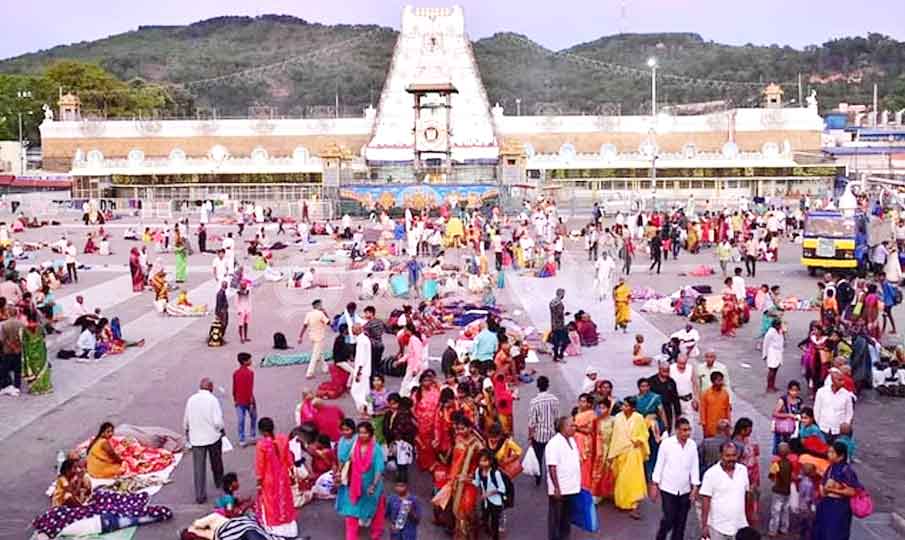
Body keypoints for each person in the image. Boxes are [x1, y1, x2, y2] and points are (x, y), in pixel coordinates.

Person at [651, 417, 700, 540]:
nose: (687, 433)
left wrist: (695, 486)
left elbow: (694, 466)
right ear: (677, 430)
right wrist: (655, 484)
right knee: (669, 518)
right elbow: (659, 464)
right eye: (684, 430)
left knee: (681, 522)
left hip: (685, 489)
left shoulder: (692, 445)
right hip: (668, 488)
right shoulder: (666, 444)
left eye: (689, 430)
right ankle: (661, 536)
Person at [336, 421, 386, 540]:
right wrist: (339, 473)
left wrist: (374, 485)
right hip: (354, 485)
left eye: (365, 433)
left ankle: (376, 532)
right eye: (360, 433)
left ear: (370, 434)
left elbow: (379, 468)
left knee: (376, 509)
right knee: (351, 512)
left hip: (371, 485)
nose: (362, 435)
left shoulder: (376, 449)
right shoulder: (353, 445)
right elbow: (343, 459)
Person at [254, 417, 297, 538]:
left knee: (271, 503)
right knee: (285, 500)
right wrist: (292, 475)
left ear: (261, 431)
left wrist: (258, 483)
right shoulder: (283, 439)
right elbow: (289, 460)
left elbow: (260, 466)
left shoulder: (261, 445)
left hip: (269, 480)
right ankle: (289, 526)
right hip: (283, 477)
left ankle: (275, 528)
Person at [184, 377, 225, 504]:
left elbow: (186, 420)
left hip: (196, 438)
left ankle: (200, 495)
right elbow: (218, 422)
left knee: (199, 468)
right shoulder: (213, 400)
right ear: (211, 387)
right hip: (212, 437)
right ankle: (219, 482)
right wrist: (221, 429)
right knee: (216, 461)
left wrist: (187, 430)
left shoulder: (191, 400)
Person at [608, 396, 649, 519]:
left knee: (633, 479)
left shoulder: (638, 418)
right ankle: (622, 502)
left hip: (633, 451)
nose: (623, 407)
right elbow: (615, 436)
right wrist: (612, 453)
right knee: (621, 479)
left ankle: (634, 505)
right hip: (620, 451)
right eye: (623, 405)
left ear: (633, 408)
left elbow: (644, 433)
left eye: (626, 406)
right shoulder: (618, 417)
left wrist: (639, 440)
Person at [700, 443, 751, 540]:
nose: (731, 458)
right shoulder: (710, 474)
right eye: (727, 455)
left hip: (739, 525)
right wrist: (704, 525)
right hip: (717, 527)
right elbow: (706, 501)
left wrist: (749, 517)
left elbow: (746, 495)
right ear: (720, 456)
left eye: (734, 455)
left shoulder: (743, 470)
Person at [813, 441, 862, 540]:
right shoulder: (831, 467)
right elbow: (823, 481)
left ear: (841, 456)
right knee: (823, 531)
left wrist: (833, 490)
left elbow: (852, 491)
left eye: (832, 452)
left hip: (839, 507)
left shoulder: (846, 470)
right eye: (829, 452)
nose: (829, 454)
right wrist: (822, 488)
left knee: (835, 533)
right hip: (826, 504)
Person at [446, 414, 485, 539]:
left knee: (467, 508)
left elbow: (483, 464)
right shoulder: (458, 438)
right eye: (457, 429)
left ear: (470, 428)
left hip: (469, 480)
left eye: (462, 429)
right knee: (457, 508)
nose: (459, 431)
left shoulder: (477, 444)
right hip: (456, 479)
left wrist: (469, 476)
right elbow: (454, 460)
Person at [545, 416, 581, 540]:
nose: (574, 427)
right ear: (563, 427)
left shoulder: (571, 440)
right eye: (571, 425)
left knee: (566, 519)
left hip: (571, 488)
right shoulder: (554, 443)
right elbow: (552, 467)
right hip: (560, 489)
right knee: (556, 519)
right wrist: (556, 488)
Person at [528, 376, 560, 487]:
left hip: (539, 435)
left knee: (538, 457)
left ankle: (538, 477)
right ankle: (551, 478)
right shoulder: (555, 400)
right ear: (548, 385)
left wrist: (530, 436)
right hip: (552, 434)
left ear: (538, 386)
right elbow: (557, 418)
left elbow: (532, 422)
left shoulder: (534, 402)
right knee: (551, 458)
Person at [474, 448, 507, 540]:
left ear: (490, 461)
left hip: (495, 502)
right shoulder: (478, 471)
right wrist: (466, 480)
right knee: (484, 517)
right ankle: (488, 530)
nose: (482, 463)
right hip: (485, 501)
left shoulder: (496, 473)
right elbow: (476, 483)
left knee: (494, 522)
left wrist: (489, 493)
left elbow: (502, 488)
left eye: (485, 461)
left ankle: (495, 537)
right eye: (480, 461)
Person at [813, 368, 854, 441]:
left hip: (839, 430)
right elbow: (816, 409)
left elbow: (849, 413)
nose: (843, 382)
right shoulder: (821, 392)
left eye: (843, 380)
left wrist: (845, 425)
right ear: (833, 380)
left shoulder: (847, 395)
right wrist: (819, 424)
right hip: (823, 428)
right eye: (839, 380)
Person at [767, 442, 793, 537]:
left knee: (775, 511)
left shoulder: (776, 464)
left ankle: (773, 530)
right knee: (785, 510)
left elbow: (771, 476)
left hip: (777, 490)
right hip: (787, 490)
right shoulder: (790, 463)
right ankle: (784, 528)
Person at [300, 299, 330, 379]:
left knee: (319, 353)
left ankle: (325, 368)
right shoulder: (321, 313)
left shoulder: (309, 314)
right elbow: (329, 323)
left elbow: (305, 325)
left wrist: (300, 336)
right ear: (318, 305)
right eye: (321, 305)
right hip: (319, 337)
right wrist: (325, 313)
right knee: (315, 355)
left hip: (312, 336)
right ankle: (309, 373)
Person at [648, 361, 681, 431]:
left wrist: (678, 413)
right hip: (654, 410)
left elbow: (675, 399)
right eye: (664, 370)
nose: (666, 372)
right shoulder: (651, 381)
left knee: (667, 430)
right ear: (659, 369)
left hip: (667, 409)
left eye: (667, 370)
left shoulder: (671, 382)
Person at [232, 352, 256, 448]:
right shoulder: (250, 373)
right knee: (253, 417)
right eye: (249, 359)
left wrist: (235, 399)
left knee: (241, 420)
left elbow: (234, 387)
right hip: (249, 400)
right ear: (245, 361)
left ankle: (242, 439)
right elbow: (250, 388)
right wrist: (251, 401)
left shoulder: (236, 373)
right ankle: (252, 435)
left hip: (239, 400)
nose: (251, 361)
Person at [21, 314, 50, 394]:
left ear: (28, 320)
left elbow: (23, 341)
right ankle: (45, 387)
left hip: (30, 352)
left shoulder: (25, 329)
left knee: (33, 370)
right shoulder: (40, 328)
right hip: (41, 352)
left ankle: (35, 389)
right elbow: (44, 337)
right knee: (43, 369)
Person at [771, 380, 802, 454]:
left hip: (793, 429)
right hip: (782, 429)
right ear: (788, 390)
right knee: (779, 448)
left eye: (796, 390)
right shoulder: (783, 400)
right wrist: (788, 415)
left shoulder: (799, 401)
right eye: (792, 390)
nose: (794, 392)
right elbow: (775, 413)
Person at [700, 372, 731, 439]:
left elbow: (727, 410)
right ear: (713, 381)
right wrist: (703, 425)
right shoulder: (706, 394)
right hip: (709, 427)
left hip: (722, 427)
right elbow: (702, 410)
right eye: (719, 380)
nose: (721, 382)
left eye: (722, 380)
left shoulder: (725, 393)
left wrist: (728, 423)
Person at [350, 324, 373, 414]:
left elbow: (361, 359)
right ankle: (369, 409)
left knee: (355, 391)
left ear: (359, 330)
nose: (352, 331)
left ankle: (363, 409)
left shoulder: (361, 341)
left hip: (362, 371)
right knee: (366, 392)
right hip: (366, 370)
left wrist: (358, 372)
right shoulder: (364, 339)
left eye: (353, 329)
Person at [762, 319, 784, 392]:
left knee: (775, 370)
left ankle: (773, 385)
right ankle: (769, 387)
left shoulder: (780, 332)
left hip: (778, 353)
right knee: (771, 370)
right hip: (772, 353)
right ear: (775, 325)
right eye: (779, 325)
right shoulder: (770, 333)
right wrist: (765, 354)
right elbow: (765, 343)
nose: (780, 326)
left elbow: (781, 341)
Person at [549, 289, 568, 363]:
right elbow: (559, 314)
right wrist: (564, 314)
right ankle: (560, 355)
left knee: (556, 342)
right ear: (561, 294)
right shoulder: (559, 303)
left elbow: (555, 313)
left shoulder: (552, 302)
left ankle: (556, 356)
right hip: (560, 326)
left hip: (553, 325)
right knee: (566, 341)